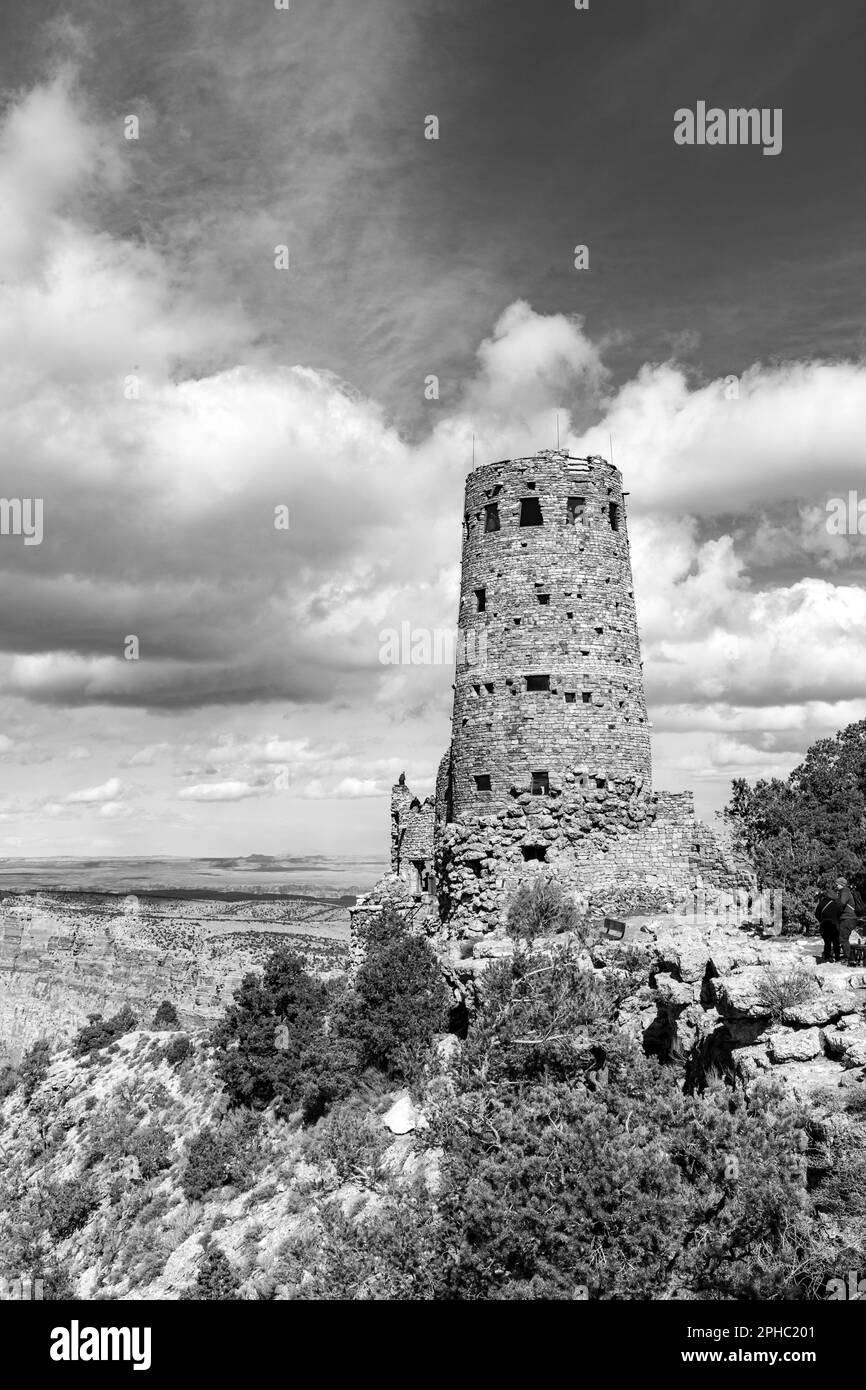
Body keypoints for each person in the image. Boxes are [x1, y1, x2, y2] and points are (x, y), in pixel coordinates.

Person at [815, 889, 842, 963]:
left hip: (824, 925)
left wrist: (821, 920)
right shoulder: (836, 904)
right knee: (836, 942)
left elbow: (816, 914)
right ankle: (837, 958)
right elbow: (840, 913)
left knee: (827, 942)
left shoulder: (821, 903)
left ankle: (827, 957)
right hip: (835, 925)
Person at [835, 877, 858, 962]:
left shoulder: (845, 891)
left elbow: (842, 903)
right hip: (847, 918)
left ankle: (848, 958)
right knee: (842, 937)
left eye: (837, 884)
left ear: (841, 884)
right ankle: (849, 957)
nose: (836, 885)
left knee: (843, 938)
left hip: (848, 918)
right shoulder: (844, 891)